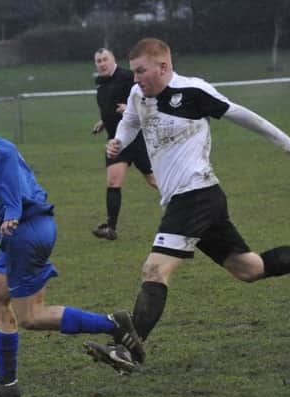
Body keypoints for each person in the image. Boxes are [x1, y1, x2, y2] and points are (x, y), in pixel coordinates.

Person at [0, 94, 145, 397]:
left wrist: (13, 210)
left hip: (27, 229)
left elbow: (8, 157)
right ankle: (7, 383)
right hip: (27, 226)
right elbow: (2, 208)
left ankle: (112, 324)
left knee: (31, 316)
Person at [84, 38, 290, 372]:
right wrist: (118, 140)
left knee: (154, 269)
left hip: (195, 196)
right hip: (193, 199)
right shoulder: (138, 94)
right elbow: (131, 121)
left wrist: (286, 143)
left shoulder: (193, 91)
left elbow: (244, 116)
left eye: (141, 71)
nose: (135, 79)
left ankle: (126, 351)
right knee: (248, 268)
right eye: (133, 71)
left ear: (163, 67)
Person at [91, 47, 157, 241]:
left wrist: (130, 108)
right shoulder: (101, 86)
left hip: (136, 139)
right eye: (98, 61)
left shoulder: (128, 77)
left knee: (153, 179)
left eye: (105, 59)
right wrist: (103, 121)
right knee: (113, 181)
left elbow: (149, 97)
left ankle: (184, 202)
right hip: (116, 140)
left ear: (113, 60)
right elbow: (110, 108)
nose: (102, 63)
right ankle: (110, 228)